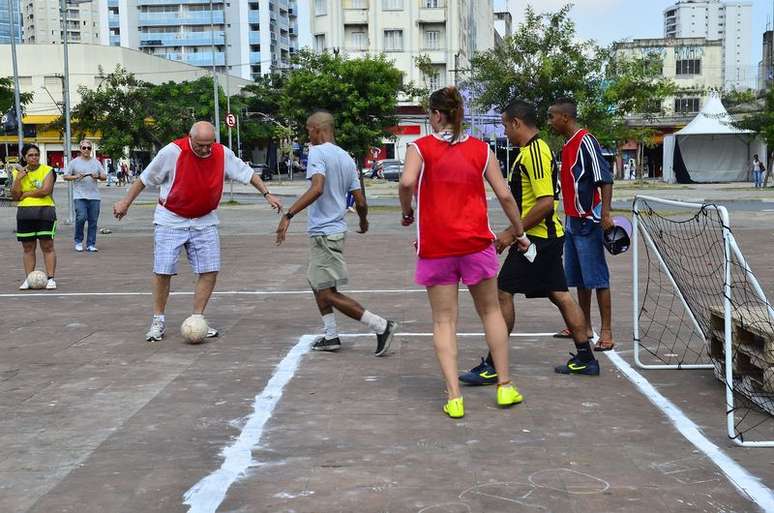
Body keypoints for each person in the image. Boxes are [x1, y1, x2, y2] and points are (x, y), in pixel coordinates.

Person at [399, 87, 530, 419]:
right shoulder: (482, 150)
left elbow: (405, 182)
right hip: (476, 244)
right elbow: (505, 196)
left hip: (437, 247)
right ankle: (505, 386)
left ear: (438, 115)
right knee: (491, 313)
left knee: (444, 321)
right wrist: (520, 232)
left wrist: (407, 211)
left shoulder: (420, 147)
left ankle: (454, 397)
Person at [460, 100, 598, 385]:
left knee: (503, 291)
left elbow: (546, 203)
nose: (504, 131)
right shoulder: (532, 151)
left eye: (504, 125)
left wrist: (512, 234)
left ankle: (493, 364)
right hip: (542, 238)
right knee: (558, 293)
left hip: (537, 241)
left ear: (516, 123)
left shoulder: (535, 152)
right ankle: (586, 357)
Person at [113, 121, 282, 342]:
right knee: (163, 270)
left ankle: (197, 318)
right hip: (171, 218)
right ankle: (158, 320)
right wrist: (125, 203)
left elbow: (247, 173)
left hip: (204, 219)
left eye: (208, 144)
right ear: (190, 138)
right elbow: (144, 179)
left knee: (210, 269)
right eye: (200, 145)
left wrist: (267, 194)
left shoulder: (222, 153)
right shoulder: (172, 152)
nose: (204, 149)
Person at [275, 111, 397, 356]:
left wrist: (289, 214)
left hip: (324, 233)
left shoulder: (318, 153)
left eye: (308, 129)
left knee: (327, 293)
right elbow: (360, 199)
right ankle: (330, 336)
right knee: (316, 282)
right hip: (334, 231)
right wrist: (363, 220)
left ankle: (381, 325)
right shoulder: (346, 157)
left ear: (318, 129)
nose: (307, 134)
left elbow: (317, 188)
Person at [547, 97, 616, 366]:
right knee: (578, 279)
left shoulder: (586, 141)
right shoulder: (567, 145)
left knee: (597, 277)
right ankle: (584, 326)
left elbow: (605, 178)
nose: (550, 122)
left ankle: (607, 331)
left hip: (589, 220)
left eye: (552, 117)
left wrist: (606, 214)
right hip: (572, 220)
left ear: (565, 117)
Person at [11, 143, 57, 290]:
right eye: (30, 155)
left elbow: (45, 190)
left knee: (47, 245)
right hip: (25, 214)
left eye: (36, 154)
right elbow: (15, 196)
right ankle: (28, 278)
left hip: (45, 212)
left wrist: (26, 193)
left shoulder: (48, 170)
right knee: (28, 247)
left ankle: (50, 278)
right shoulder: (18, 173)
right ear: (24, 157)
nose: (34, 157)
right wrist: (18, 179)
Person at [63, 139, 106, 252]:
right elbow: (66, 176)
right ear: (80, 149)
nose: (86, 150)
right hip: (79, 196)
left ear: (91, 150)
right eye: (84, 148)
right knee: (81, 217)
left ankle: (90, 244)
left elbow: (104, 176)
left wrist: (96, 176)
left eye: (89, 148)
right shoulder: (74, 162)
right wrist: (76, 176)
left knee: (93, 221)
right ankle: (78, 241)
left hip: (94, 196)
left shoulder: (96, 162)